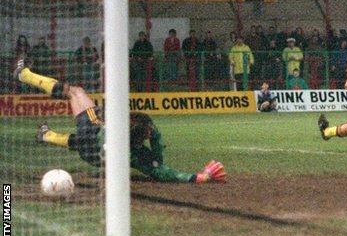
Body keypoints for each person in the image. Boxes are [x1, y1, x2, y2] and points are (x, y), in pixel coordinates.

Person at [13, 59, 226, 183]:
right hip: (94, 157)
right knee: (83, 140)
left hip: (93, 135)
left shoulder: (115, 130)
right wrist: (201, 176)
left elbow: (106, 119)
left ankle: (24, 75)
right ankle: (46, 135)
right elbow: (162, 170)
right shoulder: (137, 155)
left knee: (75, 91)